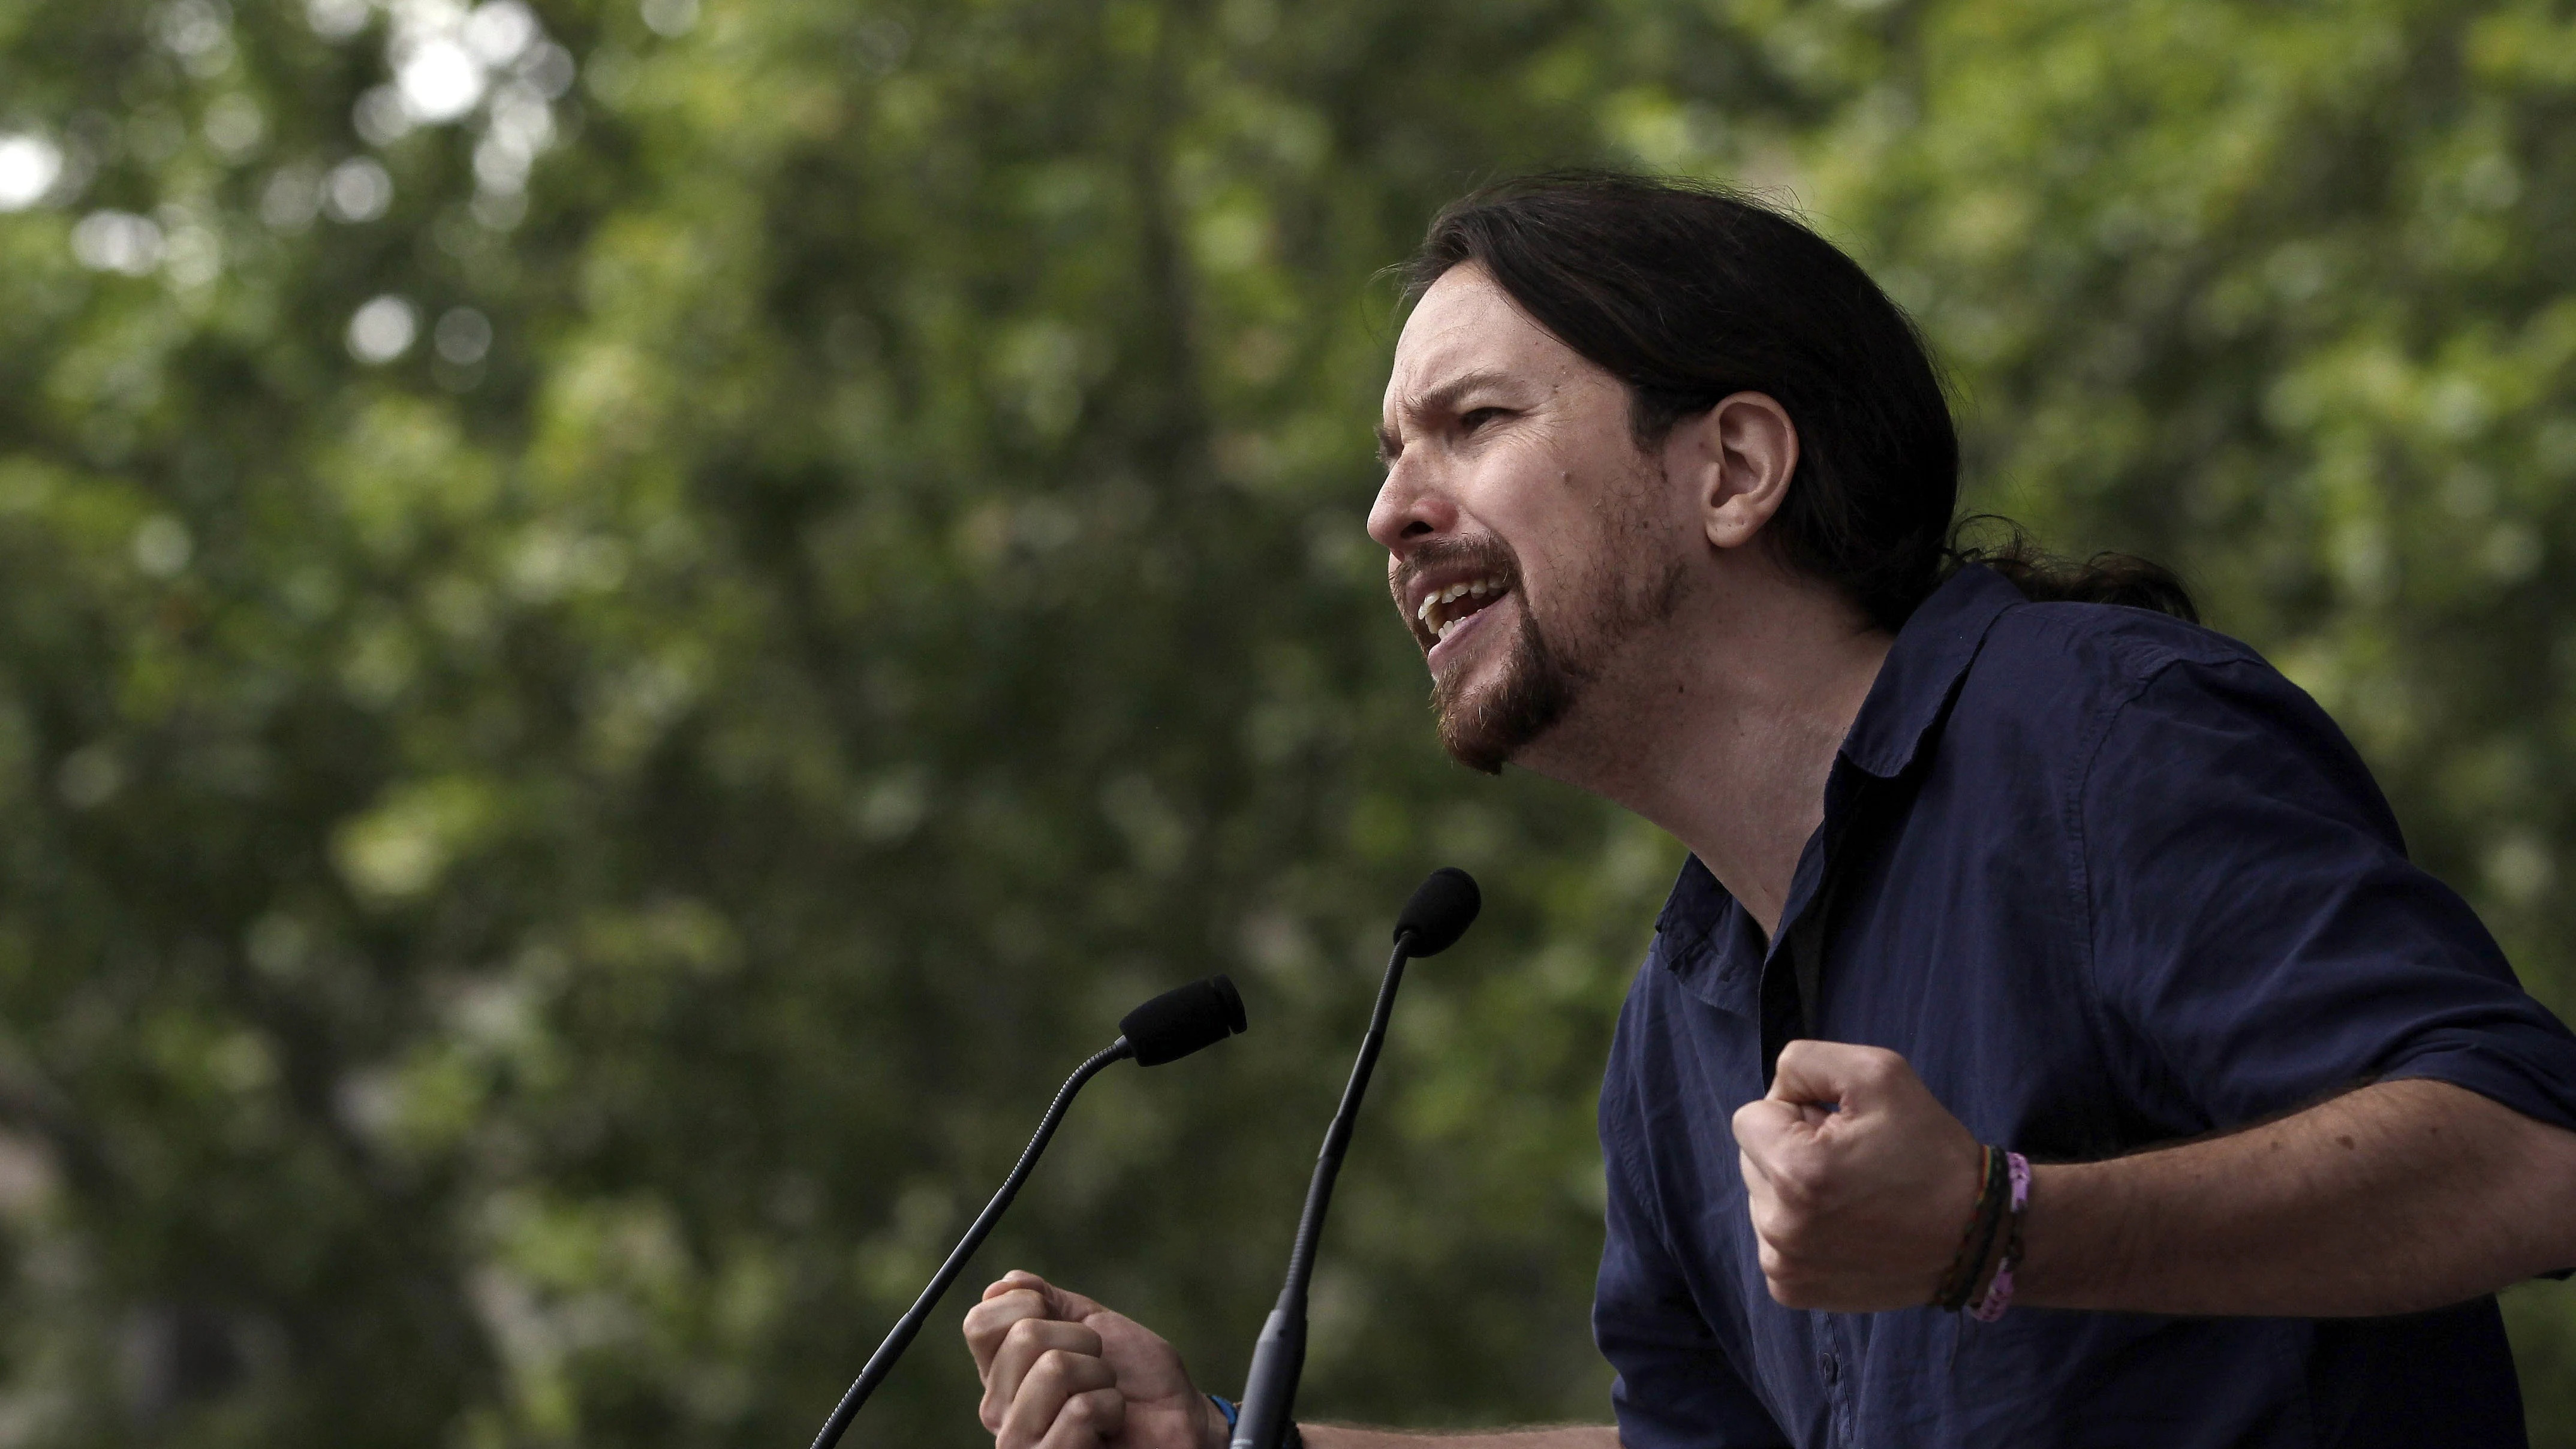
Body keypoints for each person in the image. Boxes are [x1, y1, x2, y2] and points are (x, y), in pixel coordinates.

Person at [961, 173, 2576, 1448]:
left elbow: (2533, 1154)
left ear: (1732, 466)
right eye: (1389, 455)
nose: (1389, 509)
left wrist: (1999, 1231)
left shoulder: (2091, 731)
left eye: (1473, 422)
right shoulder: (1679, 1014)